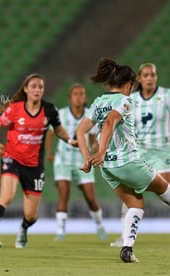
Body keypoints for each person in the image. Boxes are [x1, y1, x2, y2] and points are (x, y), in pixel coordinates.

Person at [76, 58, 170, 262]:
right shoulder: (126, 100)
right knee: (168, 193)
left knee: (135, 205)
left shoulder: (99, 102)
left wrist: (87, 159)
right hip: (129, 163)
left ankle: (127, 249)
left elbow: (80, 131)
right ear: (128, 85)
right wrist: (99, 151)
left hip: (108, 167)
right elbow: (110, 123)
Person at [110, 62, 170, 248]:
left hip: (162, 152)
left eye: (152, 75)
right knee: (129, 195)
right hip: (139, 152)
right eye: (145, 75)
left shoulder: (167, 96)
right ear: (139, 78)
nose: (149, 78)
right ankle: (124, 237)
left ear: (156, 77)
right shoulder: (131, 99)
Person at [0, 73, 77, 249]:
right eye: (33, 86)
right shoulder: (15, 109)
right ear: (26, 89)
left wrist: (70, 140)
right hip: (12, 158)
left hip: (34, 166)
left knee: (31, 215)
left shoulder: (49, 110)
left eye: (40, 87)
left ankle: (23, 228)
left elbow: (59, 130)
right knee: (6, 196)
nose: (37, 90)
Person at [45, 83, 107, 241]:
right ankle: (60, 231)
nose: (79, 97)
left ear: (85, 97)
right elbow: (51, 133)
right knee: (63, 194)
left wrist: (94, 147)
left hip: (83, 160)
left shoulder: (90, 113)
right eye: (76, 94)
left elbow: (92, 135)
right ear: (70, 98)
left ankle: (99, 226)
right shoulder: (62, 113)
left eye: (82, 94)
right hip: (63, 160)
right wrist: (50, 152)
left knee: (90, 197)